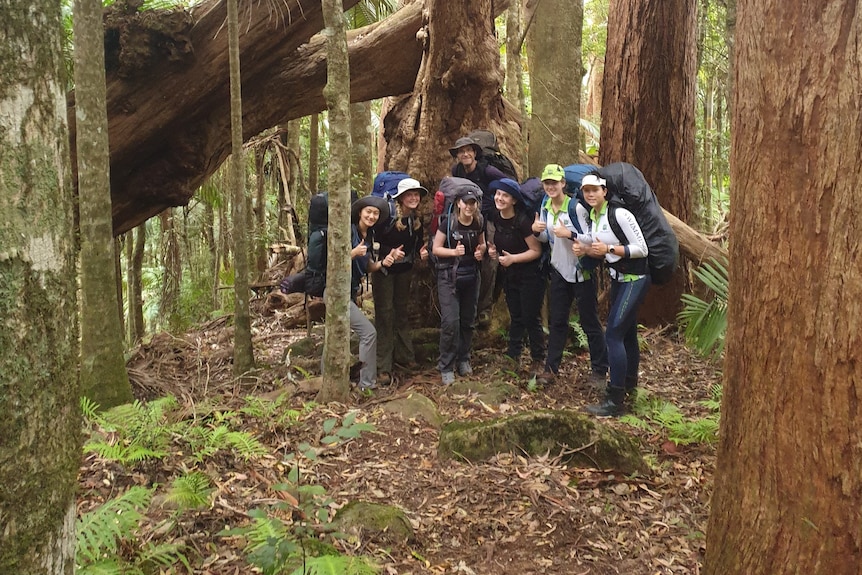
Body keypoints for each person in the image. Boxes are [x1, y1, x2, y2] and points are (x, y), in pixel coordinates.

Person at [573, 173, 650, 416]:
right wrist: (582, 245)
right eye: (586, 191)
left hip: (634, 280)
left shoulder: (619, 214)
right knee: (626, 334)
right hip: (619, 280)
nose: (590, 194)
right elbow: (600, 248)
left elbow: (642, 248)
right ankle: (629, 386)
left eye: (595, 190)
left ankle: (615, 400)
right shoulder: (595, 215)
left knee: (613, 335)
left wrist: (609, 248)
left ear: (605, 191)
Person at [532, 164, 608, 387]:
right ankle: (551, 370)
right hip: (559, 270)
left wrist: (571, 234)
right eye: (547, 183)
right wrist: (537, 230)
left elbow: (593, 238)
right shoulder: (545, 206)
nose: (551, 187)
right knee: (557, 321)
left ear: (563, 184)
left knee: (589, 321)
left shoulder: (576, 208)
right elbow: (547, 239)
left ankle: (599, 370)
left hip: (581, 271)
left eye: (554, 183)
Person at [372, 177, 429, 385]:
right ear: (401, 197)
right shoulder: (387, 216)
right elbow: (373, 242)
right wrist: (389, 252)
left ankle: (406, 357)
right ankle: (382, 366)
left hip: (404, 272)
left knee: (402, 312)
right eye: (410, 194)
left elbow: (414, 246)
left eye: (417, 195)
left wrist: (420, 253)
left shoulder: (415, 219)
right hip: (384, 272)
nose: (414, 198)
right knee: (385, 315)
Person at [486, 178, 545, 375]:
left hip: (530, 275)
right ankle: (514, 356)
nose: (499, 198)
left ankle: (538, 359)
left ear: (514, 200)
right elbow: (500, 243)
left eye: (505, 195)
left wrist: (513, 259)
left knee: (530, 317)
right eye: (498, 194)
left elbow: (535, 251)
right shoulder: (496, 216)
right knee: (516, 317)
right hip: (509, 275)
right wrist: (494, 252)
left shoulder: (522, 221)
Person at [449, 136, 509, 328]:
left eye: (469, 150)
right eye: (461, 151)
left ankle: (484, 309)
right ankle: (463, 308)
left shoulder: (487, 169)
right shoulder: (457, 170)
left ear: (475, 153)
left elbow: (506, 183)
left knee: (489, 262)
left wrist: (495, 201)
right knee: (463, 257)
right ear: (457, 155)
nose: (465, 154)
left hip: (487, 217)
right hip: (464, 219)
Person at [432, 185, 486, 385]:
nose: (470, 207)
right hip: (449, 277)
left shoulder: (479, 221)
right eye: (466, 203)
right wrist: (454, 253)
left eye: (473, 203)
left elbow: (483, 244)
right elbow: (436, 249)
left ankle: (464, 359)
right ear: (458, 203)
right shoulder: (448, 222)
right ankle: (446, 365)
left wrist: (481, 250)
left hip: (472, 275)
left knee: (468, 320)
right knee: (450, 322)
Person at [345, 196, 393, 391]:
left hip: (351, 292)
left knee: (336, 333)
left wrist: (383, 262)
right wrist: (352, 253)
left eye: (375, 213)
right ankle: (366, 384)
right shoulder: (348, 231)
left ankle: (329, 378)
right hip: (335, 292)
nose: (372, 216)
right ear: (360, 213)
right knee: (369, 333)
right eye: (368, 212)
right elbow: (331, 261)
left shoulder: (369, 235)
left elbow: (367, 267)